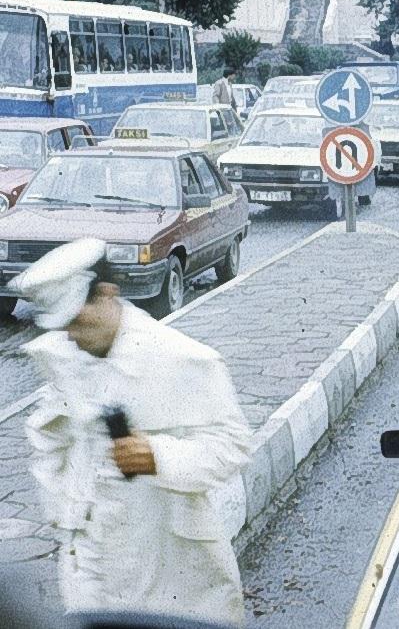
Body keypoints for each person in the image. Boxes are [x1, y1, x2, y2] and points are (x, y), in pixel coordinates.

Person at [11, 238, 252, 627]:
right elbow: (49, 441)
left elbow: (232, 447)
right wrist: (65, 512)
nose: (70, 335)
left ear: (107, 294)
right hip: (92, 574)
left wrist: (157, 455)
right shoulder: (65, 359)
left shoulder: (181, 358)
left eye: (76, 319)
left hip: (170, 578)